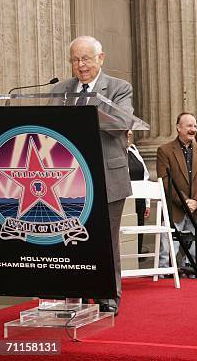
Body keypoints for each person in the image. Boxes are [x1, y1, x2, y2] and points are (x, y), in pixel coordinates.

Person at [52, 35, 133, 315]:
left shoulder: (120, 88)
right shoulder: (60, 90)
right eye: (75, 59)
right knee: (69, 238)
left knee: (106, 241)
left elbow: (122, 121)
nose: (80, 64)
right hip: (68, 181)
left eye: (86, 58)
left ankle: (107, 296)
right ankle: (72, 293)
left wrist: (85, 110)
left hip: (108, 177)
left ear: (101, 58)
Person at [156, 113, 197, 269]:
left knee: (194, 253)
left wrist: (195, 201)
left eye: (194, 126)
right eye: (189, 126)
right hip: (175, 209)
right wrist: (184, 202)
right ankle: (164, 281)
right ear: (178, 128)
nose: (193, 129)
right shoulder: (164, 150)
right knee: (167, 252)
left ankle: (192, 284)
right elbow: (165, 180)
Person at [127, 130, 151, 258]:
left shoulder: (134, 150)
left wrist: (147, 203)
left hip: (139, 200)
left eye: (131, 130)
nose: (130, 133)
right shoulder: (114, 152)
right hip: (125, 202)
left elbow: (145, 176)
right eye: (126, 130)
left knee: (139, 234)